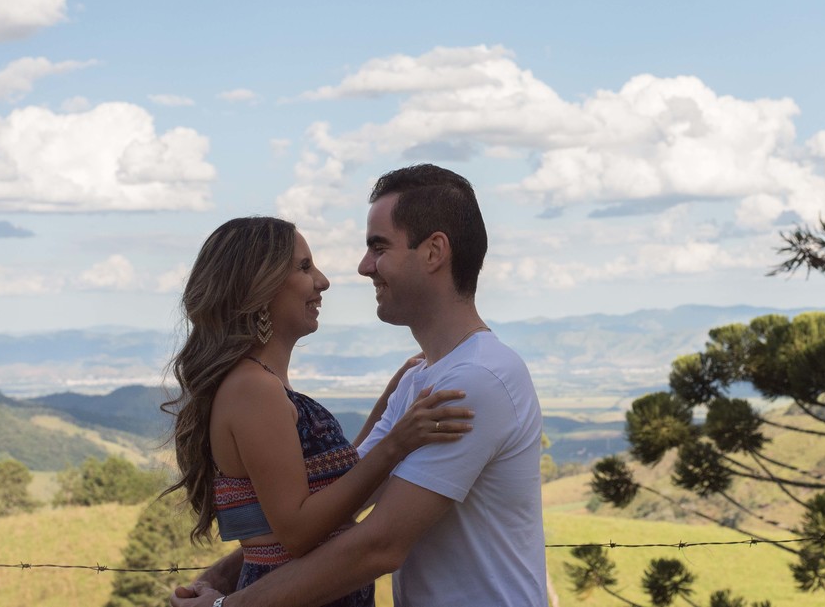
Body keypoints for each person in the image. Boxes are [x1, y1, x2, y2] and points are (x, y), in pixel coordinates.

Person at [172, 165, 547, 607]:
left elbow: (378, 545)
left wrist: (226, 605)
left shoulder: (476, 379)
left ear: (434, 252)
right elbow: (340, 497)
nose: (363, 267)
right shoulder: (420, 382)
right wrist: (223, 575)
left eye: (378, 247)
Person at [162, 215, 474, 607]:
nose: (322, 281)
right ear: (260, 287)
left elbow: (331, 485)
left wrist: (394, 398)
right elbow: (299, 531)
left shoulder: (260, 385)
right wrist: (396, 443)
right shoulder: (254, 390)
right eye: (305, 267)